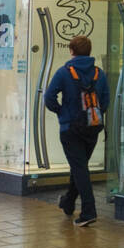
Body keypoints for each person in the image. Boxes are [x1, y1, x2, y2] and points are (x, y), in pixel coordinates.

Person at [44, 35, 110, 227]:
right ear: (89, 52)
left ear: (72, 51)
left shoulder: (64, 72)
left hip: (70, 129)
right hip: (93, 128)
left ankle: (89, 211)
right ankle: (68, 203)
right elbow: (105, 100)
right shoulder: (100, 73)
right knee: (79, 166)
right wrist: (96, 115)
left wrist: (62, 112)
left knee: (80, 168)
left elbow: (49, 97)